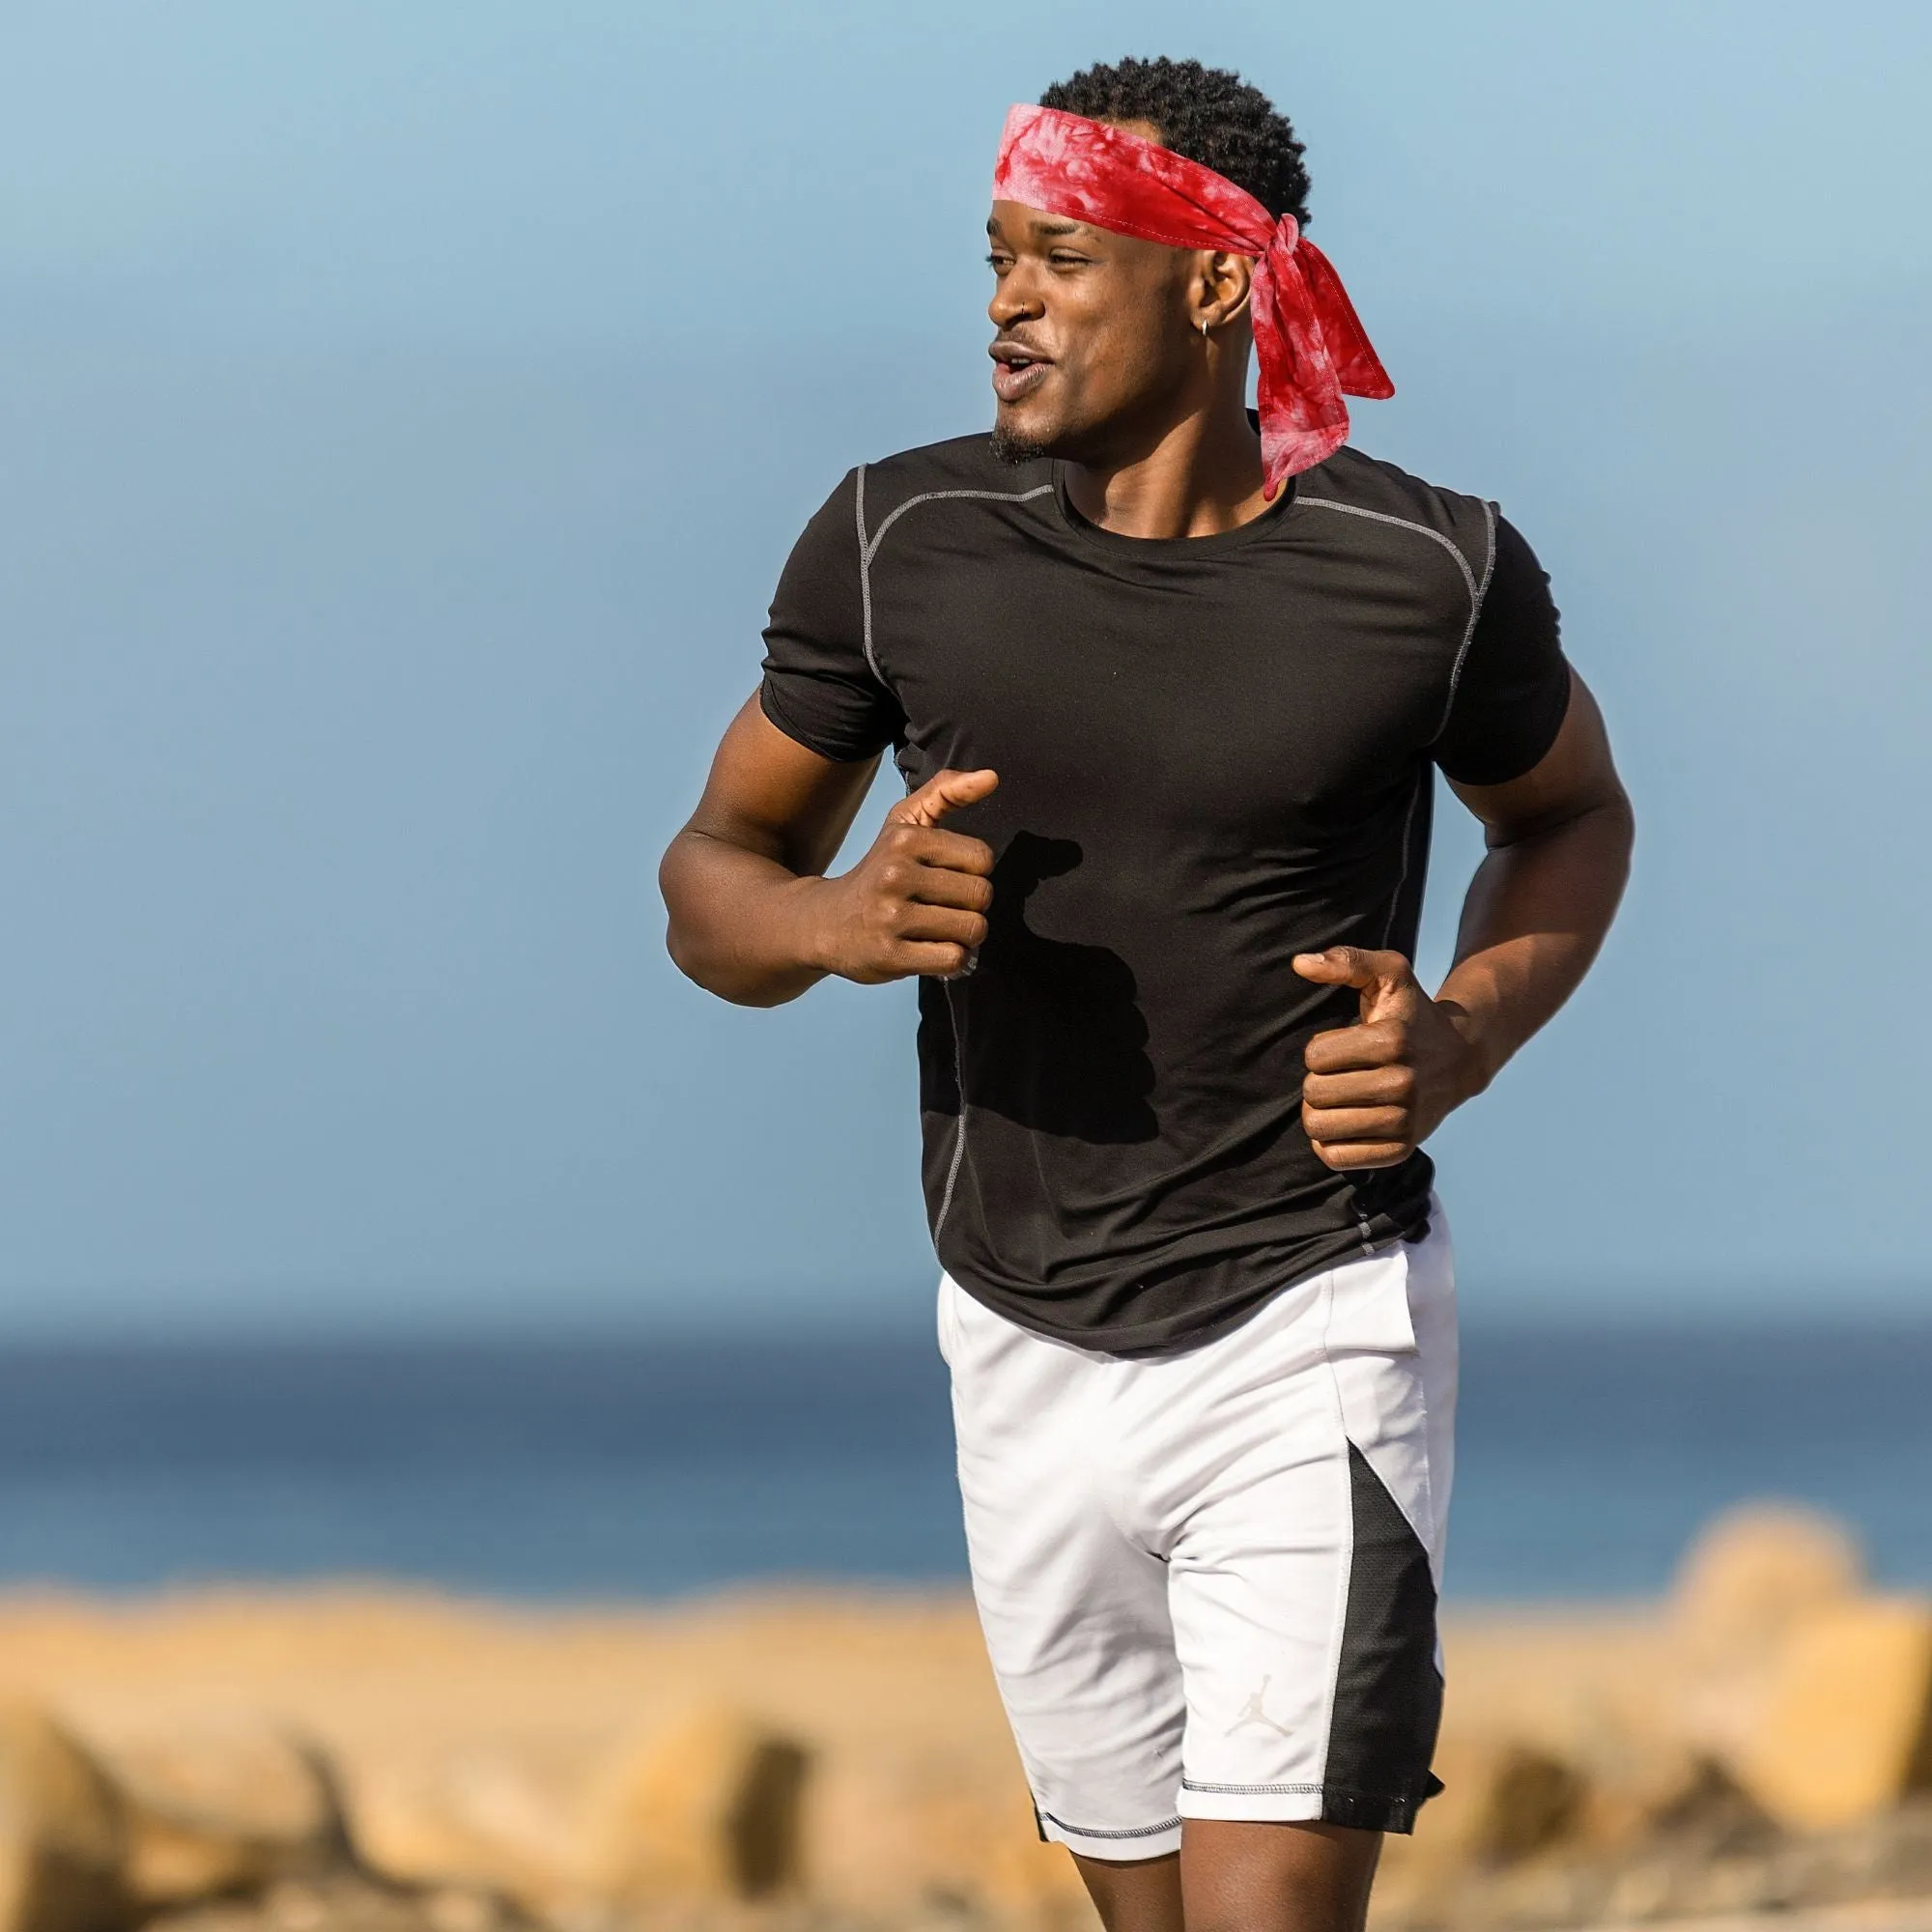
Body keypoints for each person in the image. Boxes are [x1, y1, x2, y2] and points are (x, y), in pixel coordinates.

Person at [659, 55, 1633, 1932]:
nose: (1006, 300)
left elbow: (1570, 813)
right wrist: (842, 921)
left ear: (1209, 283)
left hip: (1312, 1314)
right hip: (1015, 1331)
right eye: (994, 259)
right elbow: (711, 879)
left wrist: (1465, 1034)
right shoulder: (898, 545)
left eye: (1059, 257)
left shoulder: (1427, 569)